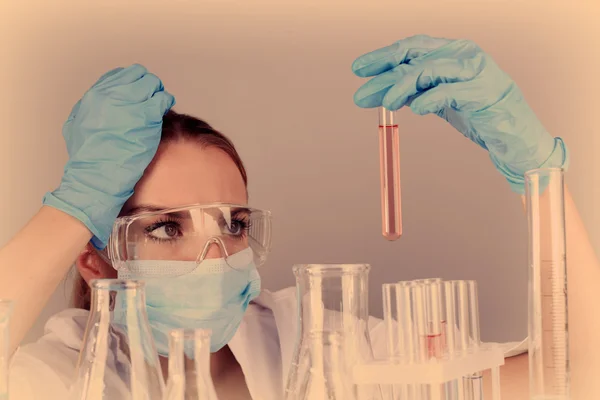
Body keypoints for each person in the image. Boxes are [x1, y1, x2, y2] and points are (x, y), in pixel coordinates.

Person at [0, 34, 598, 399]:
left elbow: (575, 377)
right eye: (165, 227)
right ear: (98, 259)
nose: (216, 258)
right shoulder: (62, 375)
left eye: (232, 224)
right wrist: (72, 209)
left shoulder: (312, 341)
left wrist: (541, 179)